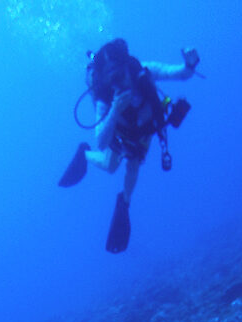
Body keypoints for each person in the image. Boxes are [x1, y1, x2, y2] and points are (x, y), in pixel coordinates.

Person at [58, 39, 200, 252]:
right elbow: (101, 140)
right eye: (111, 76)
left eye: (119, 73)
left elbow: (180, 74)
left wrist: (190, 64)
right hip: (121, 135)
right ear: (104, 77)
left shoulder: (142, 71)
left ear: (126, 65)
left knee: (133, 165)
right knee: (110, 167)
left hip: (144, 131)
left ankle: (124, 203)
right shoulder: (105, 98)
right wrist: (115, 110)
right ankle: (84, 154)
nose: (118, 82)